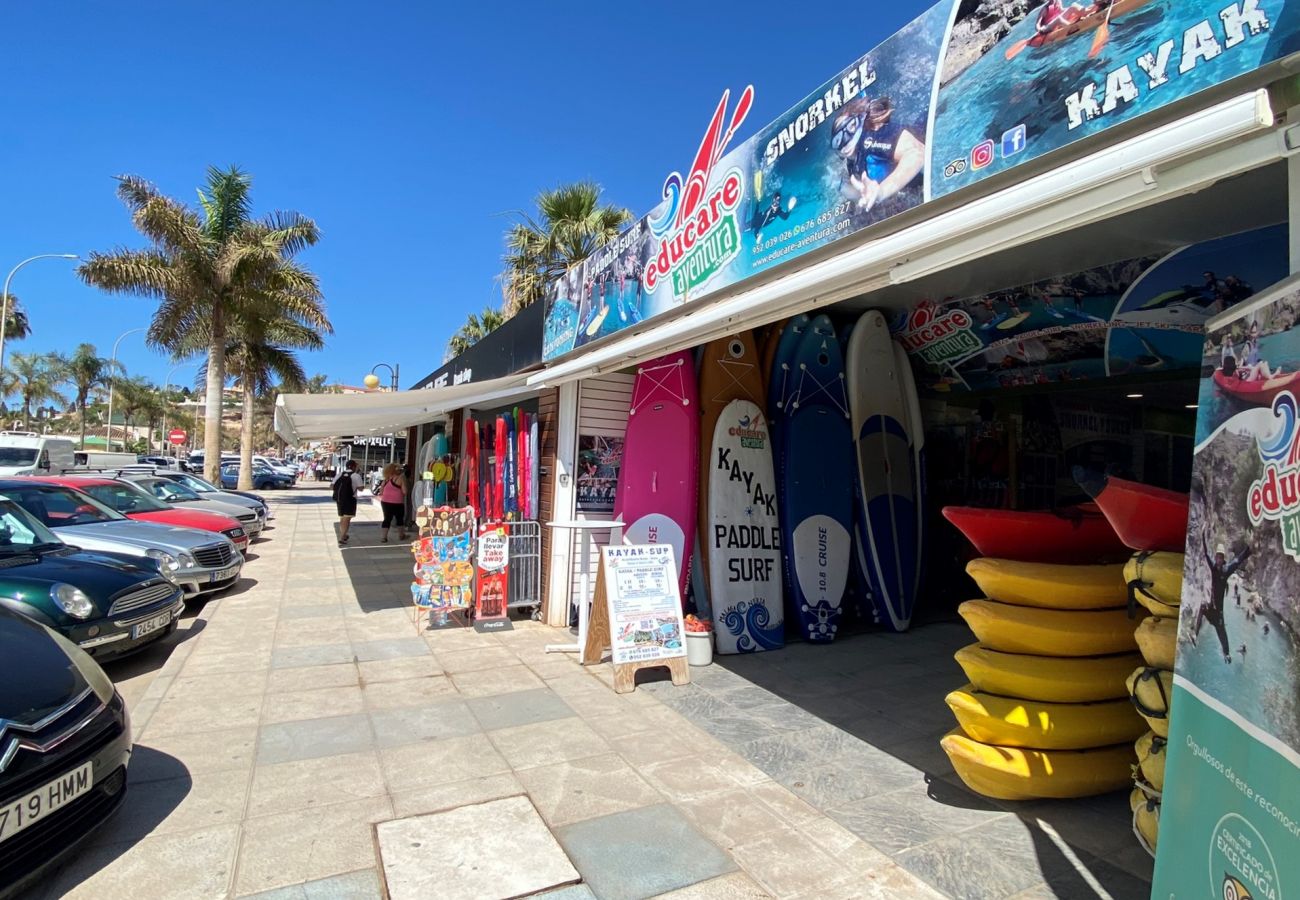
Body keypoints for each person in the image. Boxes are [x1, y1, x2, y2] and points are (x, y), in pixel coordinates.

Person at [832, 96, 925, 214]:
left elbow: (917, 152)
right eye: (837, 141)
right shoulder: (852, 161)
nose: (843, 143)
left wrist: (881, 192)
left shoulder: (871, 137)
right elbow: (864, 191)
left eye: (849, 128)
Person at [1191, 536, 1251, 663]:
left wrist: (1249, 549)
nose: (1218, 559)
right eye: (1217, 557)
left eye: (1220, 557)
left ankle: (1227, 654)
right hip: (1211, 606)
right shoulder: (1213, 568)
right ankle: (1195, 635)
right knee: (1202, 607)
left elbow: (1238, 560)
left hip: (1218, 611)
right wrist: (1202, 534)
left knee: (1221, 632)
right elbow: (1206, 553)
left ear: (1223, 559)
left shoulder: (1226, 570)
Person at [332, 460, 363, 547]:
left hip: (340, 499)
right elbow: (361, 488)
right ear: (353, 466)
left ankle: (344, 535)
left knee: (342, 517)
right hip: (350, 499)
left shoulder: (340, 474)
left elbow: (332, 485)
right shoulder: (356, 476)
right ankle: (342, 537)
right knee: (347, 518)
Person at [378, 462, 408, 543]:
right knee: (399, 519)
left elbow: (381, 492)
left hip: (385, 502)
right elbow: (405, 491)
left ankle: (383, 537)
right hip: (397, 502)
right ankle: (401, 535)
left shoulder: (386, 479)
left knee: (387, 519)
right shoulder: (401, 478)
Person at [1036, 0, 1100, 35]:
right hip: (1048, 27)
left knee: (1073, 6)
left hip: (1058, 22)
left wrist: (1073, 9)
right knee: (1059, 18)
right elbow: (1037, 23)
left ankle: (1093, 8)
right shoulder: (1045, 9)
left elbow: (1061, 10)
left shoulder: (1058, 1)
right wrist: (1039, 29)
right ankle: (1073, 27)